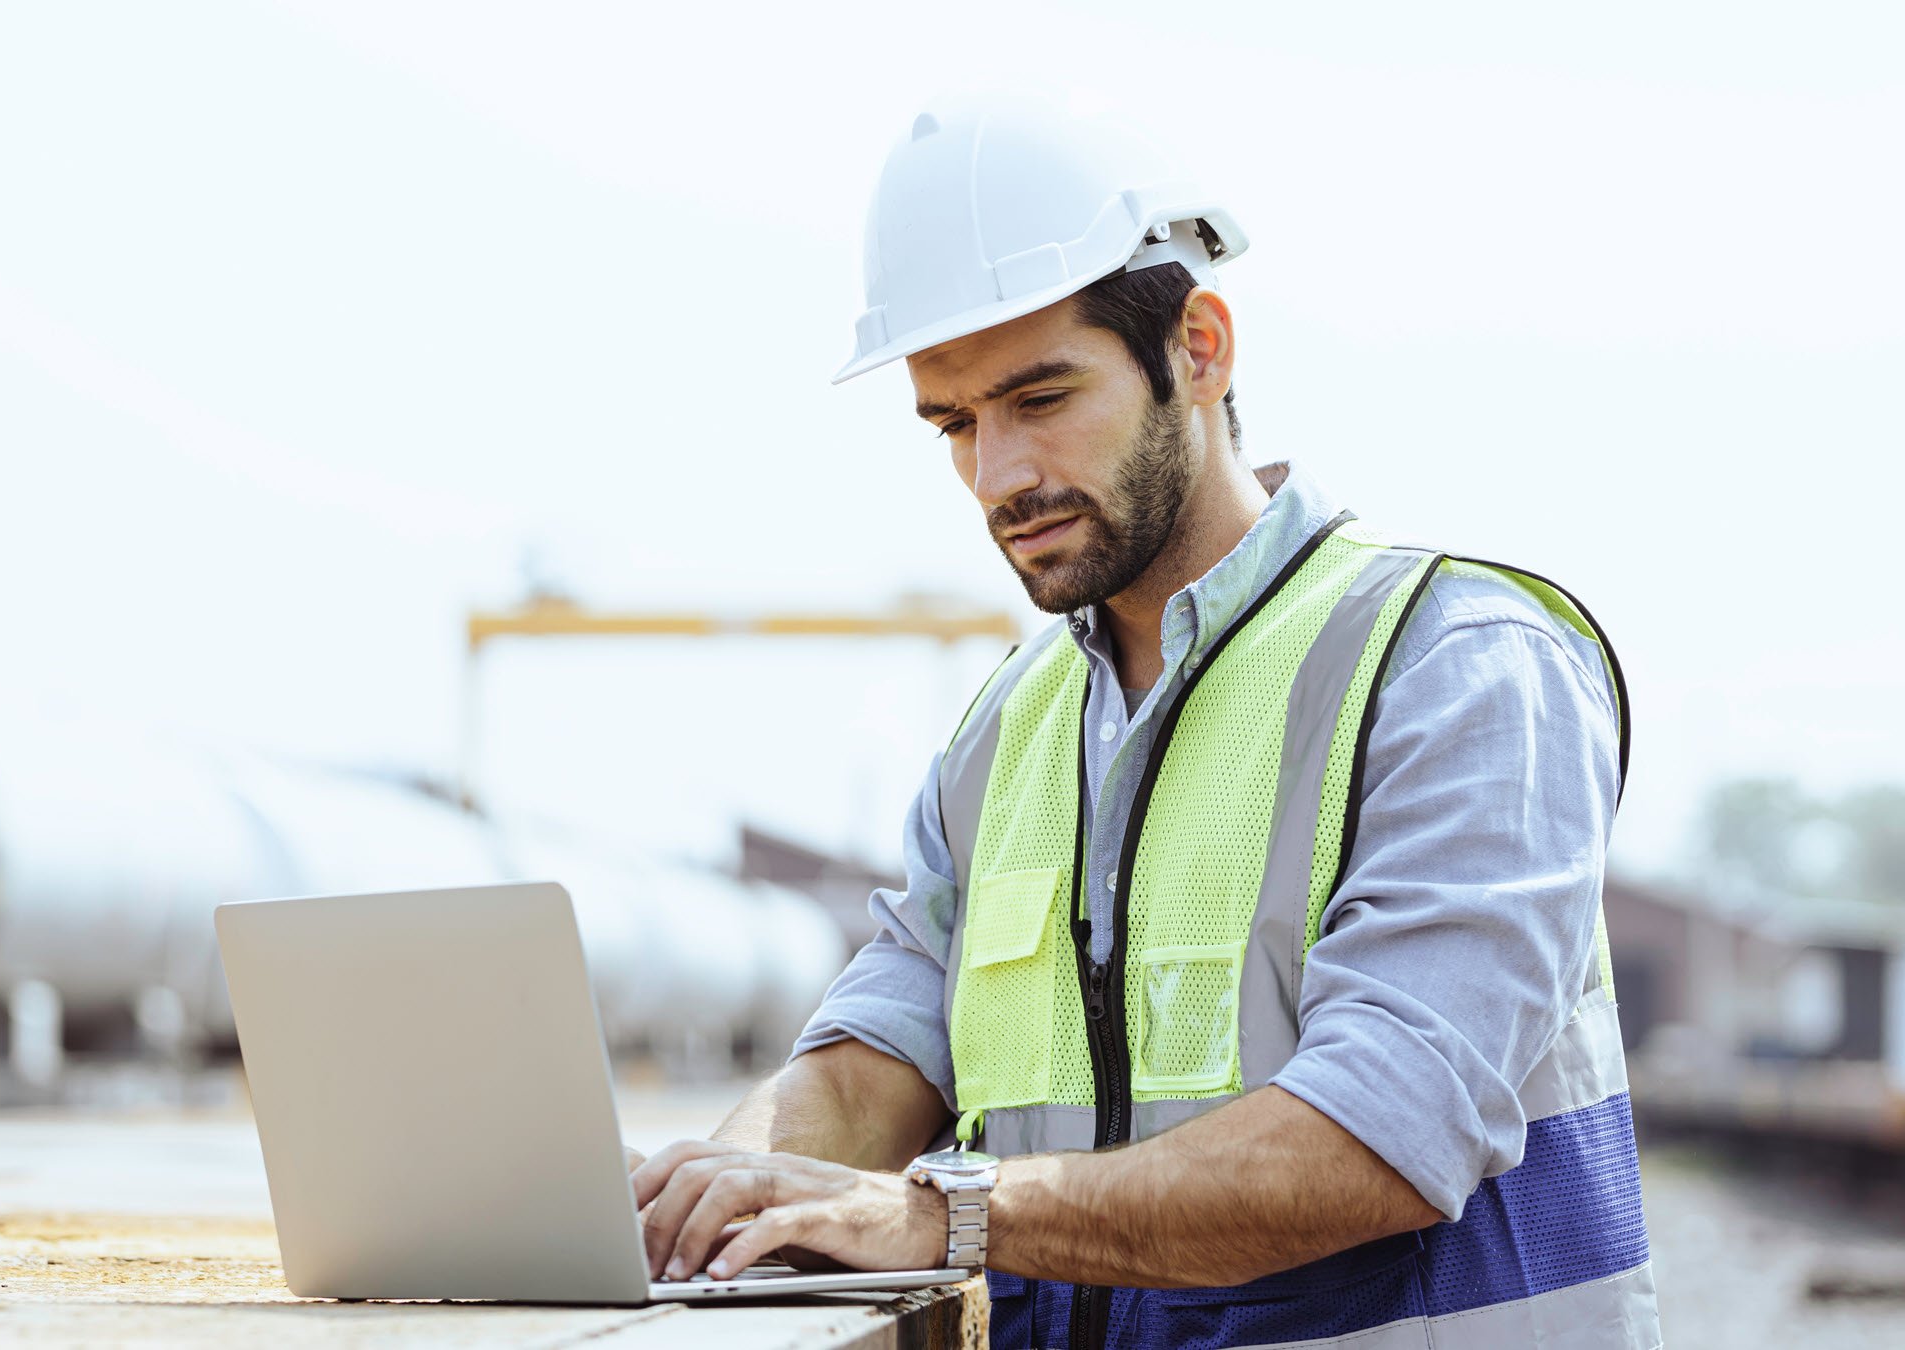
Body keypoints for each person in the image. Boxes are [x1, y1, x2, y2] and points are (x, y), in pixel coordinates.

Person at [626, 96, 1658, 1348]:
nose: (998, 475)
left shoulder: (1458, 666)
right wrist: (702, 1199)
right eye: (954, 423)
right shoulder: (1006, 733)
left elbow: (1383, 1136)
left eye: (1040, 397)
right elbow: (866, 1068)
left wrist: (941, 1214)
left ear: (1201, 348)